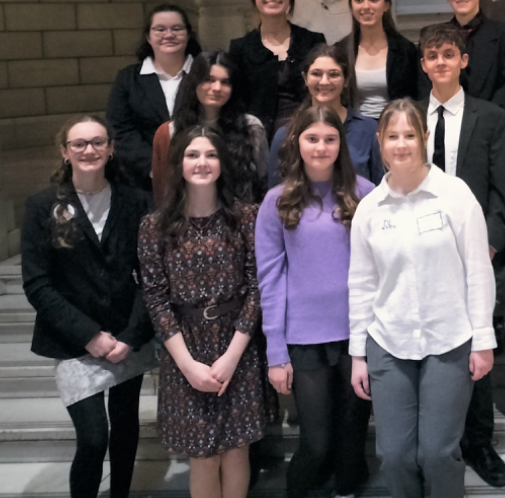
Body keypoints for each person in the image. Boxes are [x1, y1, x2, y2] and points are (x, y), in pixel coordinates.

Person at [349, 99, 497, 498]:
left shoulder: (455, 195)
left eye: (410, 135)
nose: (401, 144)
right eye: (392, 136)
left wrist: (483, 340)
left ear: (425, 138)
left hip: (449, 339)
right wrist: (358, 354)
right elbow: (362, 283)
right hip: (388, 343)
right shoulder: (368, 209)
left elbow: (479, 272)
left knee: (437, 453)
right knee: (395, 455)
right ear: (379, 142)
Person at [21, 115, 155, 498]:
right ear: (65, 152)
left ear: (111, 148)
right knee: (94, 437)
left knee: (126, 428)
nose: (89, 150)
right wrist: (90, 336)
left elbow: (151, 276)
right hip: (73, 339)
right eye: (79, 144)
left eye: (98, 142)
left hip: (127, 336)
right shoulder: (43, 206)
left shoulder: (136, 201)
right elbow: (37, 284)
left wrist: (130, 336)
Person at [138, 126, 267, 498]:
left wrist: (231, 356)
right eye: (192, 155)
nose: (202, 162)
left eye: (210, 154)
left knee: (236, 448)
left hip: (236, 343)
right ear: (178, 163)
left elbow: (257, 287)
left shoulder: (246, 218)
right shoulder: (155, 226)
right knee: (203, 452)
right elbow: (156, 299)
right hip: (186, 346)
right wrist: (188, 365)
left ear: (222, 163)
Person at [255, 106, 377, 498]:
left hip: (358, 335)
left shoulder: (366, 194)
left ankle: (347, 489)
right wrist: (276, 352)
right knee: (318, 440)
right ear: (297, 143)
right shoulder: (277, 201)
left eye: (330, 138)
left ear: (341, 144)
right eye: (312, 138)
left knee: (352, 437)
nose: (321, 147)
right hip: (304, 338)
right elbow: (270, 280)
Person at [418, 24, 505, 488]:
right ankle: (436, 444)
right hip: (419, 258)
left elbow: (502, 193)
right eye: (432, 55)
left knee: (478, 349)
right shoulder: (409, 117)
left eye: (448, 54)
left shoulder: (491, 117)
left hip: (476, 255)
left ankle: (479, 443)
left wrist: (488, 243)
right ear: (422, 64)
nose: (441, 62)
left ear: (464, 60)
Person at [151, 51, 268, 209]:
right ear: (194, 83)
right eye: (209, 80)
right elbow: (163, 194)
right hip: (184, 225)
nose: (217, 88)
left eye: (225, 82)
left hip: (241, 223)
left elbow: (263, 186)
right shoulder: (169, 132)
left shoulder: (251, 128)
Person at [107, 5, 201, 191]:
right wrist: (156, 167)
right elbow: (120, 129)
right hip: (144, 181)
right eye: (160, 29)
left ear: (188, 35)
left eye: (177, 29)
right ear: (148, 37)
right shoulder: (128, 79)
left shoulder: (206, 74)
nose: (169, 35)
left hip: (202, 173)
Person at [229, 0, 327, 141]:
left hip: (311, 135)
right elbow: (236, 104)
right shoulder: (240, 48)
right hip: (258, 141)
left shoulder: (313, 41)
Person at [267, 43, 384, 187]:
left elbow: (380, 188)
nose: (324, 81)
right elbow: (275, 196)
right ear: (305, 78)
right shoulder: (285, 135)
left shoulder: (369, 129)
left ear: (346, 80)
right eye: (316, 74)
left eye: (333, 74)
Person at [419, 0, 505, 116]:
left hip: (491, 126)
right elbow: (424, 87)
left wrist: (481, 124)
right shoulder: (432, 37)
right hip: (444, 122)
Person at [349, 0, 420, 117]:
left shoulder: (406, 50)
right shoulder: (341, 50)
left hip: (396, 127)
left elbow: (415, 98)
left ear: (386, 5)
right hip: (354, 130)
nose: (366, 6)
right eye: (358, 0)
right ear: (351, 6)